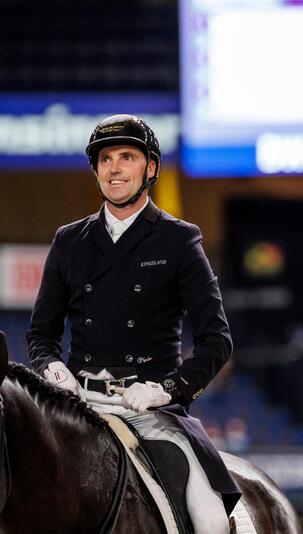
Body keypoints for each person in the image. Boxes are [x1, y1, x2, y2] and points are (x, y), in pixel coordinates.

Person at [27, 114, 237, 534]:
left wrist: (167, 389)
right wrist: (53, 370)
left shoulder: (179, 240)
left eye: (126, 157)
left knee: (211, 520)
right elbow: (41, 334)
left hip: (149, 411)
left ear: (151, 168)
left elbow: (217, 341)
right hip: (79, 405)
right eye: (105, 159)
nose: (114, 168)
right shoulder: (69, 241)